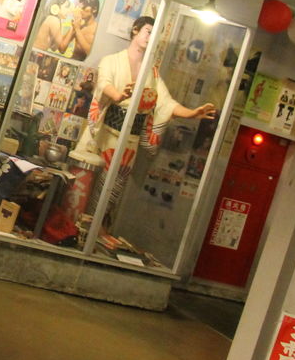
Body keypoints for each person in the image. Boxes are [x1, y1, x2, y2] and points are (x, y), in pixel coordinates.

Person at [71, 15, 216, 222]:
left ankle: (95, 225)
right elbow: (103, 83)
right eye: (148, 31)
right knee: (84, 185)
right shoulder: (111, 61)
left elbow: (165, 102)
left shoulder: (152, 73)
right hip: (104, 133)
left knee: (112, 190)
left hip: (129, 140)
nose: (151, 37)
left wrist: (192, 113)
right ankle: (74, 224)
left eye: (155, 34)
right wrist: (118, 95)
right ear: (135, 30)